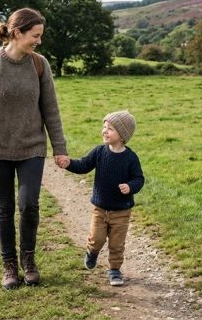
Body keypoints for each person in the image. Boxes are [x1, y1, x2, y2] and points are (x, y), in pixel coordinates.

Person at [0, 7, 69, 290]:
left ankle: (29, 261)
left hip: (32, 148)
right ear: (16, 33)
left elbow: (51, 110)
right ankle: (9, 266)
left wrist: (59, 148)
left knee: (29, 204)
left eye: (40, 36)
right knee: (4, 208)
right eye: (35, 35)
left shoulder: (40, 65)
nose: (39, 41)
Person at [58, 110, 144, 286]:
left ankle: (114, 270)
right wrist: (69, 164)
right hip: (100, 209)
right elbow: (83, 165)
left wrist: (131, 186)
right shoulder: (99, 152)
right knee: (96, 238)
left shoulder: (131, 158)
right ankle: (92, 251)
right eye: (104, 127)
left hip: (121, 211)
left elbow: (139, 178)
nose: (105, 131)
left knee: (117, 244)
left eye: (110, 128)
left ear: (123, 135)